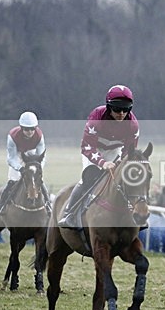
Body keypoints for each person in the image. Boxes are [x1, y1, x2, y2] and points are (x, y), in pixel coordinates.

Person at [58, 84, 139, 228]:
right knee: (88, 179)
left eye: (126, 109)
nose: (121, 113)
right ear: (109, 106)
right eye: (117, 109)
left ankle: (135, 214)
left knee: (124, 180)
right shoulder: (96, 117)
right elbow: (87, 147)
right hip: (94, 150)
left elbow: (129, 152)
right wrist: (103, 163)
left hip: (115, 151)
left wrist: (119, 163)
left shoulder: (133, 125)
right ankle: (69, 214)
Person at [0, 111, 50, 217]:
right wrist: (20, 168)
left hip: (33, 155)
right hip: (18, 155)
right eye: (27, 129)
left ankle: (48, 205)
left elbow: (41, 156)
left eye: (32, 128)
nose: (30, 132)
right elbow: (11, 158)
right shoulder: (13, 136)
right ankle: (1, 206)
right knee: (12, 180)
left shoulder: (39, 136)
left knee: (38, 179)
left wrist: (38, 169)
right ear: (21, 128)